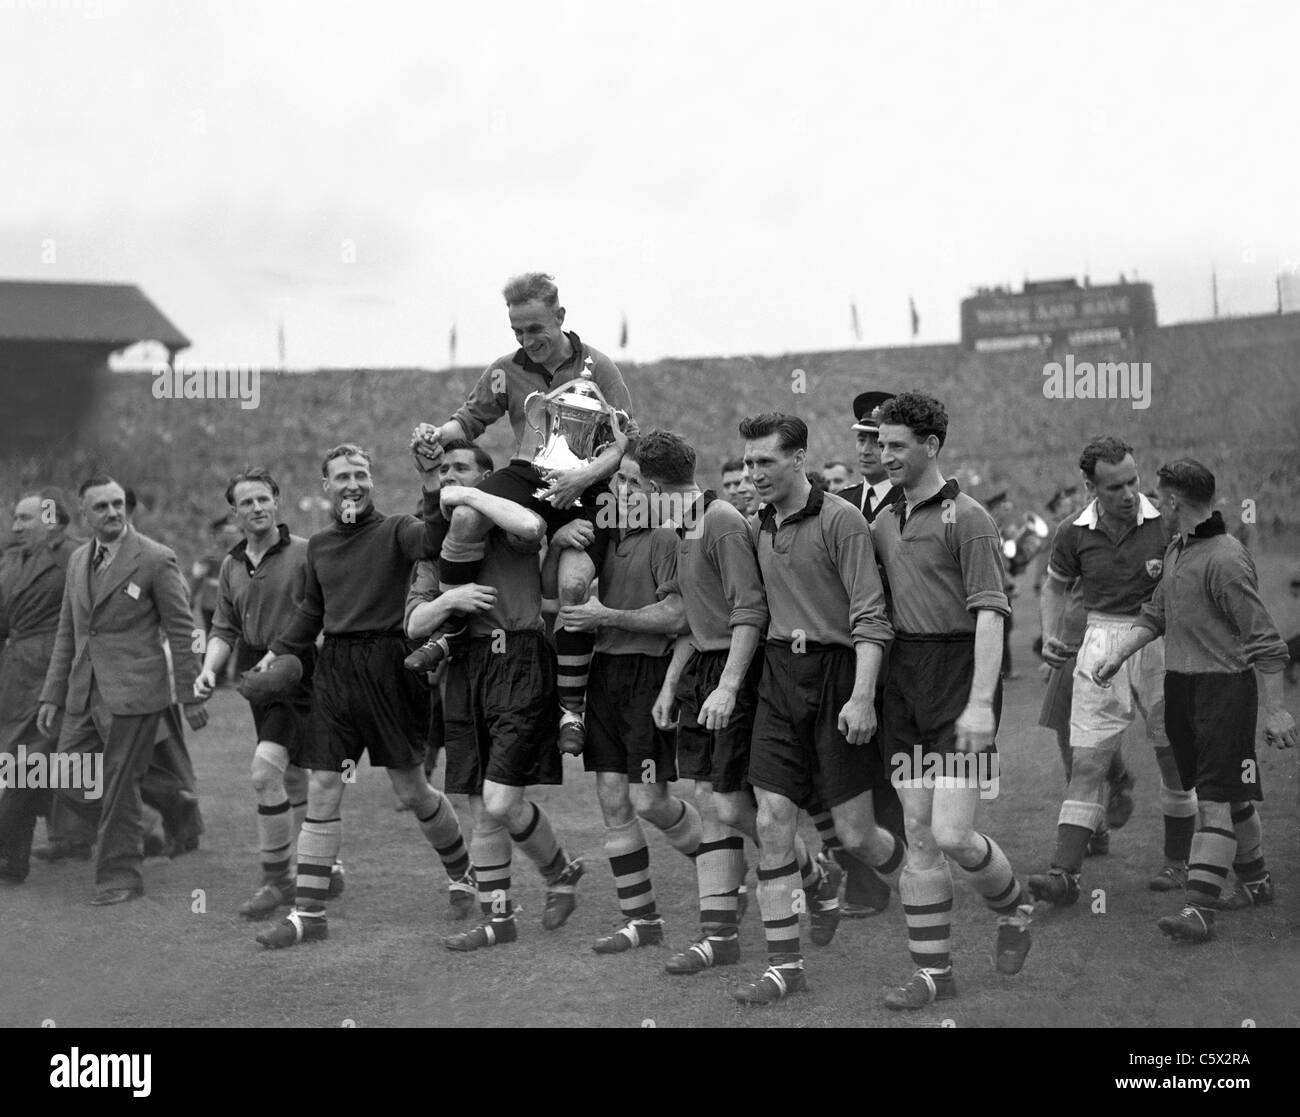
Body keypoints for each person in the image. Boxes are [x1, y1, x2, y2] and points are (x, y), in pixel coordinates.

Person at [254, 443, 473, 949]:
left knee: (412, 791)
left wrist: (430, 484)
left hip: (392, 667)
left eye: (361, 474)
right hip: (335, 671)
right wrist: (280, 650)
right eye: (342, 476)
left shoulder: (397, 530)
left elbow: (437, 541)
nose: (352, 484)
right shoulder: (320, 547)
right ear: (325, 486)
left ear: (371, 481)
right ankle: (308, 914)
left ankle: (463, 874)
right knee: (324, 783)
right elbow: (313, 610)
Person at [410, 272, 636, 756]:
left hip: (587, 484)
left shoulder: (600, 366)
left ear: (559, 316)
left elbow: (624, 442)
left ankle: (570, 709)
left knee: (574, 584)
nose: (528, 341)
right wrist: (436, 434)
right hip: (530, 475)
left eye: (537, 329)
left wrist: (583, 477)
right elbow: (468, 420)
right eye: (518, 331)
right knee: (468, 517)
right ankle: (451, 635)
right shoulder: (503, 370)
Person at [731, 413, 902, 1005]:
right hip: (780, 678)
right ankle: (785, 968)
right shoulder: (757, 525)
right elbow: (751, 610)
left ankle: (924, 883)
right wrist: (730, 684)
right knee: (772, 820)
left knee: (856, 835)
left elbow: (871, 616)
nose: (752, 475)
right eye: (748, 463)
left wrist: (861, 695)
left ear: (798, 459)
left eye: (764, 463)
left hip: (837, 678)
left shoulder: (842, 521)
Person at [871, 392, 1033, 1010]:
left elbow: (992, 614)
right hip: (905, 678)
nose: (883, 455)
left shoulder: (969, 518)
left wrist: (981, 704)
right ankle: (934, 973)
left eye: (895, 445)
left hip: (961, 675)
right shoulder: (884, 519)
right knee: (917, 829)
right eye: (880, 444)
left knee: (955, 832)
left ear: (931, 445)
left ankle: (1016, 905)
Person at [1094, 459, 1295, 943]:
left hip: (1223, 691)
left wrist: (1276, 709)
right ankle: (1257, 880)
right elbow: (1156, 613)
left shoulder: (1224, 559)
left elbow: (1266, 641)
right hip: (1183, 689)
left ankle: (1199, 909)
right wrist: (1117, 655)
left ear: (1173, 501)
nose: (1153, 505)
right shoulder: (1179, 548)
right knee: (1228, 791)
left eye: (1158, 497)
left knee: (1215, 802)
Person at [405, 439, 585, 952]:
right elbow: (414, 623)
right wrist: (452, 598)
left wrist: (472, 496)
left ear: (490, 479)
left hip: (518, 662)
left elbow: (530, 526)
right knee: (480, 806)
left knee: (501, 799)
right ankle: (499, 919)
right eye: (444, 473)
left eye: (463, 470)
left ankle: (559, 871)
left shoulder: (511, 529)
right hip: (464, 670)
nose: (451, 479)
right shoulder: (436, 549)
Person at [552, 440, 707, 954]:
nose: (623, 489)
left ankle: (726, 878)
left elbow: (678, 617)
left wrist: (605, 617)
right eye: (619, 480)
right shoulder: (603, 535)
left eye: (635, 482)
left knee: (650, 800)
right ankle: (641, 921)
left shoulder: (666, 537)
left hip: (648, 673)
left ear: (654, 490)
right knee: (613, 800)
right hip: (607, 677)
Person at [1028, 437, 1197, 907]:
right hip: (1101, 641)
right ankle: (1066, 874)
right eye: (1115, 486)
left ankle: (1178, 862)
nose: (1128, 493)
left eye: (1133, 481)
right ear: (1090, 486)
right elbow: (1053, 587)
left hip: (1161, 641)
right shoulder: (1072, 531)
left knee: (1171, 755)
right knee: (1087, 761)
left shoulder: (1167, 522)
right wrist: (1050, 635)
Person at [35, 475, 209, 905]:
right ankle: (170, 803)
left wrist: (190, 696)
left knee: (116, 783)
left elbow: (183, 631)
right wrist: (52, 694)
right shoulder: (78, 560)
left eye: (118, 504)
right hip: (83, 692)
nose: (113, 513)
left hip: (135, 693)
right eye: (102, 507)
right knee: (68, 775)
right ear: (84, 514)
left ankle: (120, 876)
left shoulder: (154, 559)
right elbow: (67, 632)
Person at [194, 467, 343, 918]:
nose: (257, 508)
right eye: (247, 502)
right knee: (294, 774)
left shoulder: (305, 553)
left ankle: (277, 881)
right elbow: (223, 626)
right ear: (235, 512)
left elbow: (327, 612)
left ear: (276, 502)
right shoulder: (231, 564)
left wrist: (303, 651)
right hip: (256, 670)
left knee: (265, 773)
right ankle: (328, 865)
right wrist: (207, 670)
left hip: (300, 669)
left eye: (263, 499)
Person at [0, 490, 77, 883]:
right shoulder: (13, 559)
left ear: (51, 518)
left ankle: (11, 859)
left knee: (24, 766)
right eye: (15, 519)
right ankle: (15, 858)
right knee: (28, 769)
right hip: (14, 676)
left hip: (48, 676)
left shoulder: (73, 557)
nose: (15, 527)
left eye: (25, 519)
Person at [838, 391, 902, 524]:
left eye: (876, 443)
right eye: (861, 440)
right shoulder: (842, 501)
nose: (865, 451)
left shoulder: (907, 501)